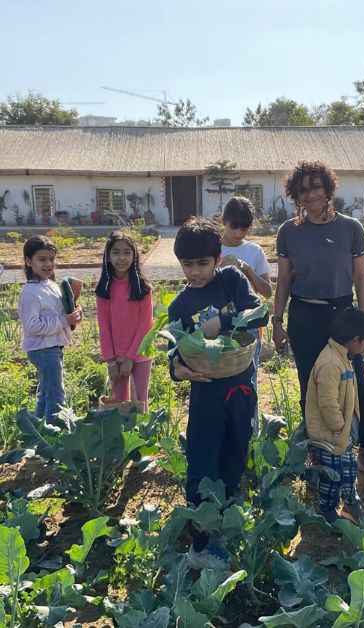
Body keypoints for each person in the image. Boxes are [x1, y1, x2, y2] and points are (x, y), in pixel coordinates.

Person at [271, 161, 364, 489]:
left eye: (316, 187)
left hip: (341, 314)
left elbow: (360, 279)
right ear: (295, 195)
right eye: (303, 189)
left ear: (328, 189)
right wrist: (277, 320)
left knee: (356, 383)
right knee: (311, 385)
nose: (310, 194)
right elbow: (282, 281)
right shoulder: (288, 232)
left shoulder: (351, 228)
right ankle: (318, 452)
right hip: (304, 316)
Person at [167, 217, 266, 566]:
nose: (195, 272)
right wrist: (176, 369)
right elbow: (174, 350)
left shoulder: (232, 281)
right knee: (202, 458)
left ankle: (225, 519)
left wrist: (221, 323)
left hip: (240, 385)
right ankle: (201, 543)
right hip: (206, 391)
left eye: (202, 264)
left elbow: (259, 314)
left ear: (218, 259)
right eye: (188, 265)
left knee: (236, 451)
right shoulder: (179, 306)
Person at [306, 307, 364, 525]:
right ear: (355, 340)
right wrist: (338, 426)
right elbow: (327, 403)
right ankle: (327, 511)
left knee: (347, 470)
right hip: (330, 436)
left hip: (341, 434)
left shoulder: (343, 357)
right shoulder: (330, 363)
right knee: (332, 476)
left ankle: (350, 504)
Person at [220, 196, 273, 433]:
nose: (239, 232)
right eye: (234, 226)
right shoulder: (211, 248)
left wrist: (247, 270)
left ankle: (251, 434)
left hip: (249, 323)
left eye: (245, 227)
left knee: (248, 378)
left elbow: (267, 291)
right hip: (217, 323)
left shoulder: (254, 251)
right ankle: (224, 431)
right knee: (219, 378)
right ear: (224, 221)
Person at [19, 235, 81, 422]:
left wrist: (74, 314)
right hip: (43, 349)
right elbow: (32, 326)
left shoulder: (51, 285)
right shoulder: (30, 292)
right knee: (55, 394)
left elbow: (61, 314)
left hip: (52, 346)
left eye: (51, 259)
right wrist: (64, 320)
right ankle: (56, 436)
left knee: (46, 394)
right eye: (42, 259)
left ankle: (37, 433)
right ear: (29, 262)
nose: (48, 264)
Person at [95, 231, 154, 412]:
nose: (122, 258)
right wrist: (112, 361)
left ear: (134, 255)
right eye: (116, 252)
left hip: (140, 353)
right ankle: (121, 440)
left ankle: (141, 438)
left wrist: (130, 357)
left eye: (127, 252)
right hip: (116, 357)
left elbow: (145, 325)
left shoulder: (143, 289)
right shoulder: (104, 289)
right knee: (118, 404)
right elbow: (104, 326)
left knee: (139, 402)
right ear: (108, 256)